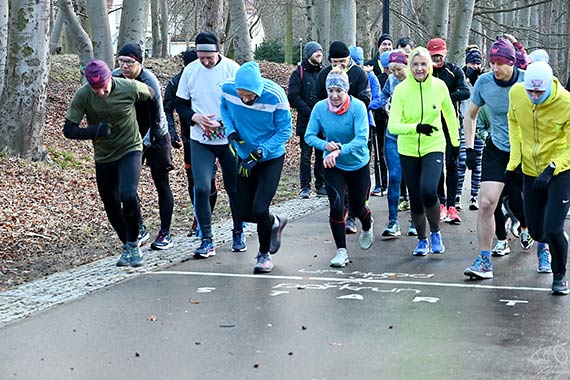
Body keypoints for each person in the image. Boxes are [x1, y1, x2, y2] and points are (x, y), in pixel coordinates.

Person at [463, 38, 549, 279]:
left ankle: (544, 249)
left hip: (528, 151)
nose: (496, 68)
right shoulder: (484, 82)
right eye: (492, 63)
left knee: (535, 205)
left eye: (501, 63)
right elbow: (470, 115)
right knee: (487, 203)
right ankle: (484, 261)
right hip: (497, 149)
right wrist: (469, 149)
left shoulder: (526, 80)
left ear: (513, 63)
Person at [63, 59, 162, 267]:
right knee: (110, 203)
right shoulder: (83, 95)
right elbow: (68, 130)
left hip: (130, 149)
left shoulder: (129, 86)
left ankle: (134, 245)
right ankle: (127, 243)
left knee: (128, 194)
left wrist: (154, 128)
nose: (100, 92)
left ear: (111, 78)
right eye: (95, 88)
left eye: (103, 87)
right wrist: (94, 131)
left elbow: (153, 96)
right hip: (104, 156)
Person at [175, 32, 245, 258]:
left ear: (218, 52)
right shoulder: (190, 71)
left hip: (228, 139)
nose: (205, 61)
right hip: (200, 139)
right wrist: (196, 118)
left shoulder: (232, 69)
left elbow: (243, 103)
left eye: (210, 58)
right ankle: (206, 239)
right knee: (202, 187)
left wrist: (222, 122)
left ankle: (238, 232)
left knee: (234, 189)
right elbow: (181, 105)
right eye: (201, 57)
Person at [220, 61, 291, 273]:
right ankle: (275, 221)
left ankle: (263, 255)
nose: (245, 99)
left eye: (249, 95)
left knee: (260, 207)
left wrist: (262, 151)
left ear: (258, 90)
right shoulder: (227, 89)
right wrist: (230, 131)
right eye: (241, 94)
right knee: (243, 211)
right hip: (244, 156)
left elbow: (285, 131)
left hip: (269, 157)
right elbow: (224, 108)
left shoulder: (276, 96)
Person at [388, 47, 460, 256]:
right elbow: (393, 125)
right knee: (415, 197)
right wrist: (416, 127)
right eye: (415, 64)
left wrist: (454, 144)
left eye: (423, 64)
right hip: (408, 148)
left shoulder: (440, 86)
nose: (419, 68)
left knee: (429, 190)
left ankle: (435, 232)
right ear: (409, 67)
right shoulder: (401, 90)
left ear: (430, 65)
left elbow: (449, 114)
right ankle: (421, 240)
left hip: (434, 145)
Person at [506, 61, 570, 294]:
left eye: (539, 92)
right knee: (536, 232)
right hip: (530, 170)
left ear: (549, 87)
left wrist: (553, 166)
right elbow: (513, 122)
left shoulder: (566, 103)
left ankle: (560, 275)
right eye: (530, 91)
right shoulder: (516, 94)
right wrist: (514, 161)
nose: (533, 96)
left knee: (553, 229)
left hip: (560, 171)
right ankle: (554, 237)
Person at [305, 68, 374, 267]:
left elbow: (362, 139)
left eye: (339, 91)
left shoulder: (358, 107)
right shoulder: (319, 108)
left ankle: (367, 225)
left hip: (357, 162)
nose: (334, 96)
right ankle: (341, 251)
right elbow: (310, 135)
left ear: (347, 90)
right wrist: (325, 146)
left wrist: (340, 150)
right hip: (332, 164)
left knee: (357, 206)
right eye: (331, 91)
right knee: (336, 206)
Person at [113, 42, 176, 251]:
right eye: (121, 61)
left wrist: (145, 142)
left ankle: (165, 232)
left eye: (129, 62)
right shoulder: (115, 77)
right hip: (131, 134)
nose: (124, 66)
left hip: (156, 132)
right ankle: (139, 227)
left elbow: (157, 116)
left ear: (139, 62)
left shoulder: (148, 80)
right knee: (127, 187)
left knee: (161, 182)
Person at [309, 40, 371, 235]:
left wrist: (348, 109)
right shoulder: (324, 76)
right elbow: (316, 100)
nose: (338, 66)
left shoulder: (359, 74)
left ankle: (357, 217)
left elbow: (366, 98)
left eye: (342, 62)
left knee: (358, 204)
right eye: (335, 62)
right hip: (331, 145)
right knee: (336, 203)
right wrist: (326, 142)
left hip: (355, 143)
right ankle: (341, 247)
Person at [163, 49, 218, 237]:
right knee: (193, 181)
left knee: (209, 181)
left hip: (215, 137)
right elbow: (168, 108)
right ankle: (198, 218)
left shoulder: (213, 76)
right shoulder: (176, 81)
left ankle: (205, 217)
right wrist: (172, 132)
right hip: (190, 138)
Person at [426, 38, 470, 225]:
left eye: (439, 55)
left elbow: (465, 92)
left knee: (452, 164)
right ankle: (441, 202)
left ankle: (452, 205)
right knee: (437, 165)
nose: (436, 59)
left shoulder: (454, 70)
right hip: (432, 124)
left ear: (445, 54)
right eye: (433, 55)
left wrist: (445, 98)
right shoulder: (425, 72)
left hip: (451, 123)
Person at [288, 41, 326, 199]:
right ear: (308, 54)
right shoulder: (298, 73)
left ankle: (320, 185)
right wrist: (309, 112)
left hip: (323, 122)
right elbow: (293, 96)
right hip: (305, 122)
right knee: (305, 155)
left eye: (320, 51)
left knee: (321, 153)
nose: (319, 54)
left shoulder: (324, 72)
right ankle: (305, 187)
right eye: (315, 51)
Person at [378, 50, 410, 238]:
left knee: (413, 179)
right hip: (393, 134)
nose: (395, 73)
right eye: (391, 70)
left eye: (398, 69)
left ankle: (415, 221)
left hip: (412, 135)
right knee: (395, 176)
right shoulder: (390, 81)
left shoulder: (415, 82)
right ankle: (393, 222)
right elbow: (383, 97)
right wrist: (385, 106)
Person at [457, 46, 485, 211]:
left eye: (477, 63)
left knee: (477, 161)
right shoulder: (462, 78)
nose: (474, 66)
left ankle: (474, 195)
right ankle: (458, 194)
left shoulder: (484, 79)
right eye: (472, 63)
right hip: (463, 123)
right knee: (462, 160)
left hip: (479, 125)